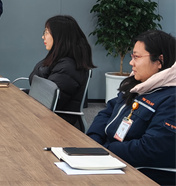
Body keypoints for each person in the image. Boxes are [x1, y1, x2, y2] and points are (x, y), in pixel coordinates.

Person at [87, 30, 176, 185]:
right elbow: (108, 111)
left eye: (136, 57)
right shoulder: (137, 85)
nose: (131, 62)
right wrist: (93, 140)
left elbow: (150, 149)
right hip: (112, 160)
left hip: (140, 173)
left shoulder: (171, 98)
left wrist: (106, 150)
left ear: (159, 61)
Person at [29, 15, 96, 131]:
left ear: (59, 37)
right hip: (47, 117)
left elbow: (48, 100)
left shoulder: (68, 67)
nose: (43, 36)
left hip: (58, 125)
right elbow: (35, 83)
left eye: (46, 32)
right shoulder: (58, 61)